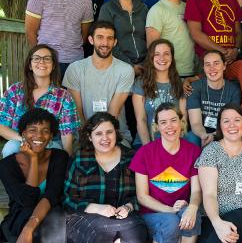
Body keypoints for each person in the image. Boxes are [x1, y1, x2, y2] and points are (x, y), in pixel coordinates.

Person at [64, 112, 149, 243]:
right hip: (87, 216)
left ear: (116, 132)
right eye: (98, 134)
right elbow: (67, 198)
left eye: (109, 132)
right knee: (101, 236)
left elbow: (142, 195)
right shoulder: (79, 158)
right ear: (90, 137)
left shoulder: (132, 157)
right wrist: (96, 208)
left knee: (135, 237)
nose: (105, 138)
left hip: (126, 217)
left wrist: (128, 207)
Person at [130, 103, 202, 243]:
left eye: (173, 120)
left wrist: (192, 207)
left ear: (181, 122)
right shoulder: (144, 153)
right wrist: (169, 209)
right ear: (157, 127)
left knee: (193, 215)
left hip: (181, 208)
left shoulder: (193, 152)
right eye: (163, 122)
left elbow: (196, 191)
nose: (169, 126)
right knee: (171, 221)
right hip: (152, 213)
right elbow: (142, 196)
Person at [0, 108, 69, 243]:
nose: (39, 135)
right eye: (33, 130)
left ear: (51, 136)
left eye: (45, 131)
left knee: (55, 224)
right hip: (20, 215)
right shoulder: (6, 165)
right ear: (23, 134)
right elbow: (27, 200)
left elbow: (52, 195)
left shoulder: (60, 157)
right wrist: (34, 159)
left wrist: (29, 229)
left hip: (52, 213)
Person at [196, 104, 242, 243]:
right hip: (213, 215)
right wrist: (217, 222)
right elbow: (209, 194)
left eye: (237, 120)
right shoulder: (211, 151)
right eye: (226, 121)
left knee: (226, 236)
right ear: (220, 125)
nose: (232, 125)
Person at [63, 21, 135, 144]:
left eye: (109, 38)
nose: (105, 43)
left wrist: (103, 138)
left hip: (115, 134)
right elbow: (77, 112)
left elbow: (114, 111)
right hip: (84, 133)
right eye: (100, 37)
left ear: (115, 42)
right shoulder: (75, 69)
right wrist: (90, 137)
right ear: (91, 40)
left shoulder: (125, 70)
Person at [0, 45, 80, 157]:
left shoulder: (63, 96)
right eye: (36, 58)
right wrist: (25, 140)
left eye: (47, 59)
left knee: (57, 152)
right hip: (20, 141)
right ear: (30, 65)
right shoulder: (15, 91)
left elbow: (67, 134)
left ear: (53, 66)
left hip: (50, 144)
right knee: (11, 147)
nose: (42, 62)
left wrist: (66, 163)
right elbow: (1, 127)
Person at [132, 39, 186, 146]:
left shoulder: (180, 83)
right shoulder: (141, 83)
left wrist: (175, 146)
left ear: (172, 57)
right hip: (145, 143)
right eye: (157, 54)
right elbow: (141, 120)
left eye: (166, 54)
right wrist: (149, 149)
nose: (162, 58)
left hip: (173, 143)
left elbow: (183, 120)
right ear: (151, 58)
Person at [146, 0, 195, 77]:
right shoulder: (157, 10)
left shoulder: (189, 7)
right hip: (169, 74)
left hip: (191, 72)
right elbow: (152, 47)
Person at [185, 50, 241, 147]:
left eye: (216, 63)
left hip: (226, 132)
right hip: (201, 131)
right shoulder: (196, 87)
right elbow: (195, 123)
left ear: (224, 66)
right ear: (203, 67)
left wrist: (214, 136)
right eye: (207, 64)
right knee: (191, 137)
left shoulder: (233, 90)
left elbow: (232, 122)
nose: (212, 68)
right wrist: (204, 136)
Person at [98, 0, 148, 71]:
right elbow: (106, 42)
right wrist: (130, 66)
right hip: (118, 65)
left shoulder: (143, 7)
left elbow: (149, 37)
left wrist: (146, 63)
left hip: (145, 65)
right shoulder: (107, 9)